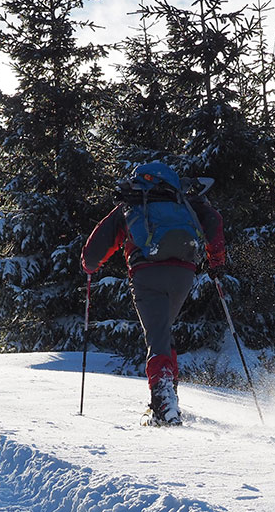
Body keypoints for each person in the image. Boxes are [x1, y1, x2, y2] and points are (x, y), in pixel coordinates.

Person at [81, 162, 226, 426]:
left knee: (157, 336)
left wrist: (89, 266)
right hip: (184, 272)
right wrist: (215, 262)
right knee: (162, 331)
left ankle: (163, 402)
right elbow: (214, 222)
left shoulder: (133, 201)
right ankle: (169, 397)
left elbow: (95, 249)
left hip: (147, 273)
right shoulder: (184, 201)